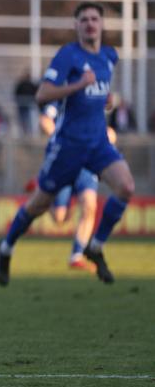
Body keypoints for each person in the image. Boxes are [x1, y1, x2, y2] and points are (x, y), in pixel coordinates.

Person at [0, 2, 135, 285]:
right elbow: (42, 95)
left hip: (97, 143)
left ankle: (94, 247)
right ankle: (6, 246)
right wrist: (79, 85)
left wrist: (104, 99)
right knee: (39, 205)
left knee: (126, 187)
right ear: (76, 26)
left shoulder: (109, 56)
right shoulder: (68, 55)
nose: (90, 23)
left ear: (102, 24)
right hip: (68, 145)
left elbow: (100, 94)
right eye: (84, 19)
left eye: (95, 19)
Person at [37, 101, 116, 273]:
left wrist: (108, 136)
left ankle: (77, 256)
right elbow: (44, 120)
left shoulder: (96, 96)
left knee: (90, 206)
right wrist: (63, 143)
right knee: (59, 218)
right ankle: (41, 190)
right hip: (65, 161)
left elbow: (108, 131)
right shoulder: (61, 96)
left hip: (87, 164)